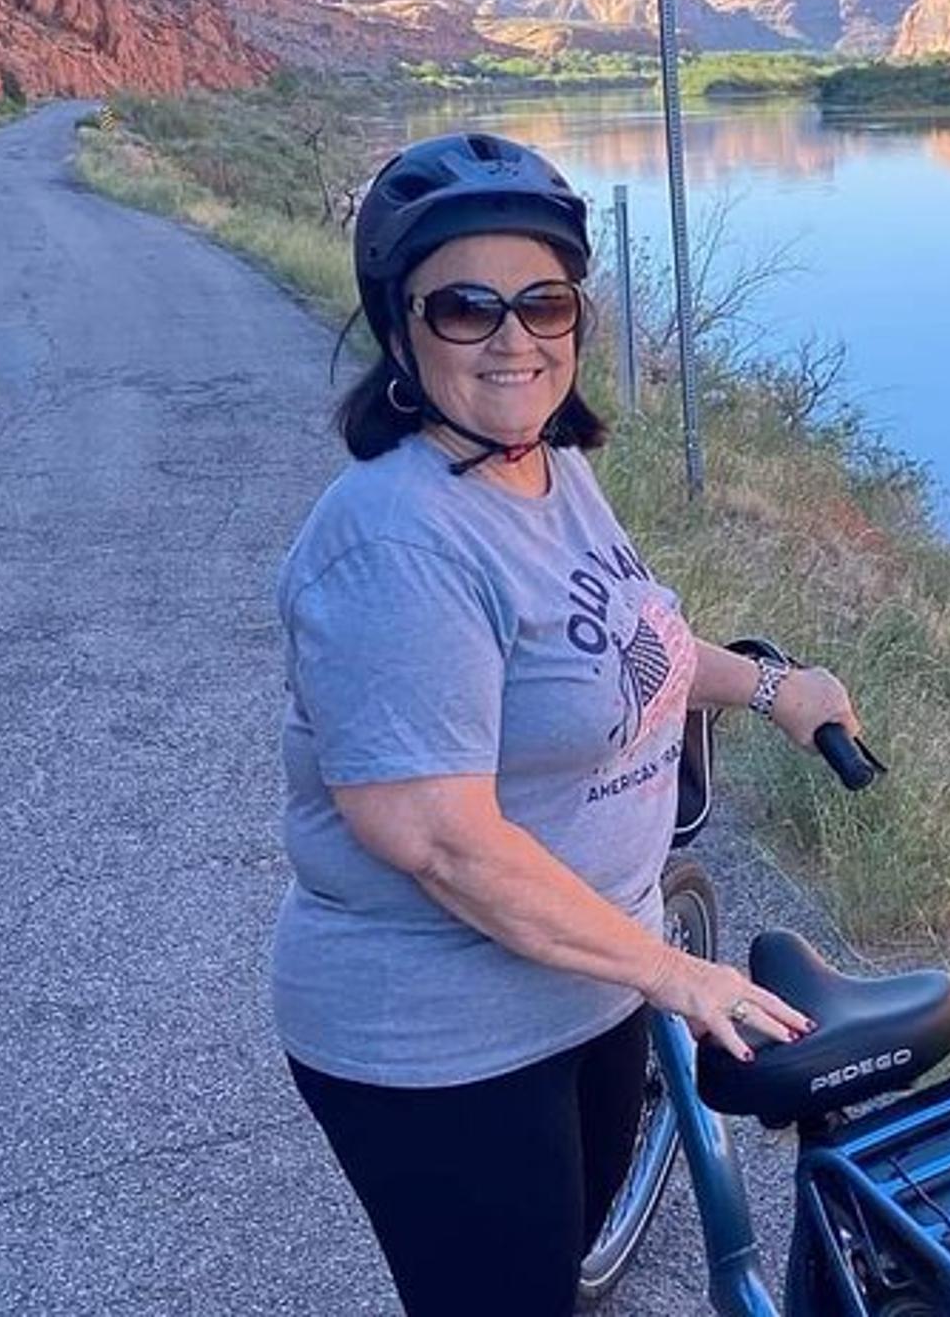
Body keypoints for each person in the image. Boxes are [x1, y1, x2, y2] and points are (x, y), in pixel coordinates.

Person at [271, 131, 860, 1316]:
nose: (513, 340)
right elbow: (436, 837)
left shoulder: (546, 466)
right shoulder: (395, 541)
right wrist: (672, 972)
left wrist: (766, 684)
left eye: (543, 303)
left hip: (587, 986)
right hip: (443, 1038)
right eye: (465, 308)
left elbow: (624, 645)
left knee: (558, 1264)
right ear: (399, 328)